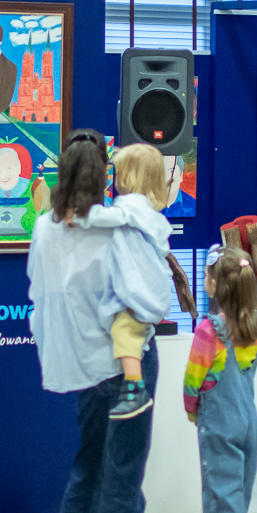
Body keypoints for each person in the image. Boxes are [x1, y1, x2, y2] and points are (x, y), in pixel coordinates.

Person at [28, 128, 174, 513]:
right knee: (122, 483)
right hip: (122, 365)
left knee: (87, 469)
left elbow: (39, 290)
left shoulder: (45, 228)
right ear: (104, 174)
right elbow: (148, 298)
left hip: (80, 367)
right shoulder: (118, 229)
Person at [178, 247, 257, 513]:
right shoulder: (256, 328)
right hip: (248, 420)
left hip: (218, 423)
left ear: (214, 285)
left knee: (220, 493)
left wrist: (191, 409)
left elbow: (193, 378)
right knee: (236, 492)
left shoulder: (208, 330)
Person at [97, 141, 177, 420]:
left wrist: (82, 216)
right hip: (151, 291)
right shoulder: (149, 213)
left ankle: (134, 387)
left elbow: (107, 219)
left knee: (125, 331)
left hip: (136, 296)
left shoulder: (130, 207)